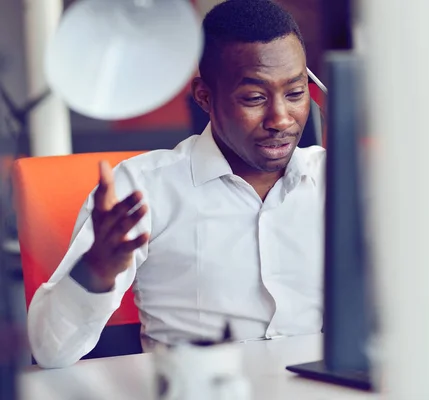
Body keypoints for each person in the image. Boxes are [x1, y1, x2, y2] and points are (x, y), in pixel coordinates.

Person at [28, 0, 325, 368]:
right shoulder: (141, 190)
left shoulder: (335, 181)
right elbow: (48, 352)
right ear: (204, 96)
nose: (280, 118)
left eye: (295, 94)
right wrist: (95, 272)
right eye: (254, 98)